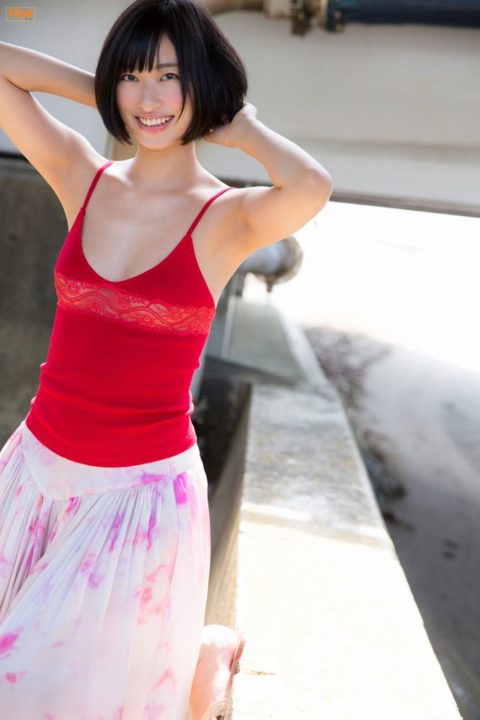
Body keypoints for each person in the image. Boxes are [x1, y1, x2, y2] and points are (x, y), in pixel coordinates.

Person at [0, 0, 333, 717]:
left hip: (137, 500)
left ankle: (202, 656)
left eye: (170, 77)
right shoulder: (81, 176)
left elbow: (311, 186)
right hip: (33, 472)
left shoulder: (227, 217)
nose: (149, 98)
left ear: (202, 84)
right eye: (133, 76)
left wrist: (237, 125)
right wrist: (106, 88)